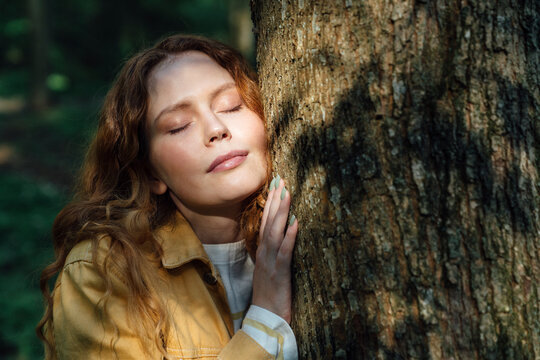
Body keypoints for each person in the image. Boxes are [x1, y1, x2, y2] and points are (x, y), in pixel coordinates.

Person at [36, 34, 299, 359]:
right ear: (150, 173)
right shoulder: (103, 273)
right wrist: (265, 320)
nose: (216, 128)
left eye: (231, 106)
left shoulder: (305, 232)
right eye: (178, 126)